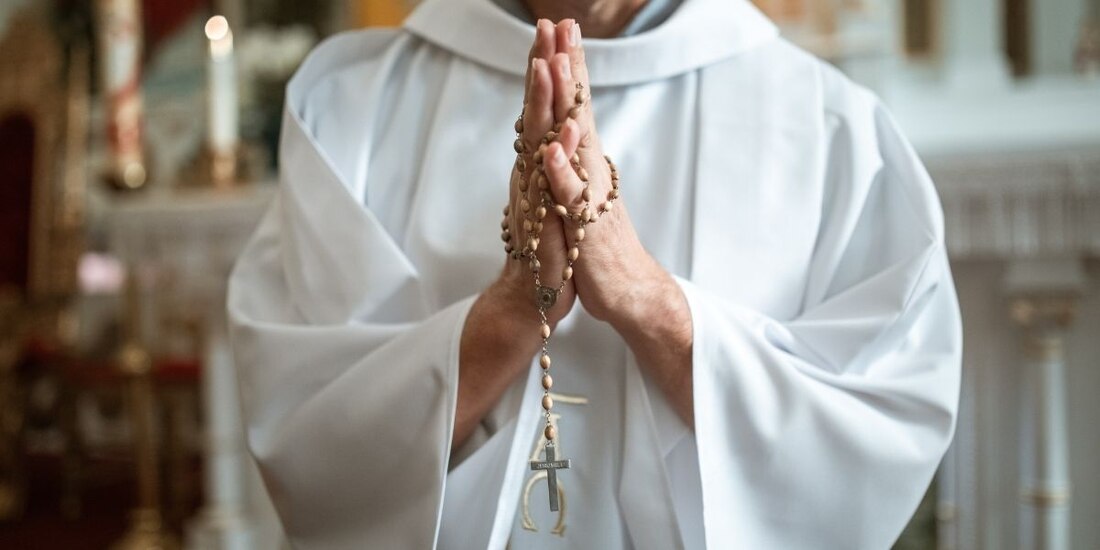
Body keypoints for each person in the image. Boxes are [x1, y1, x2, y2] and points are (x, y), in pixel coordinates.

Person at [227, 0, 963, 547]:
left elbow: (873, 430)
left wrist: (648, 301)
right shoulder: (352, 110)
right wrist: (511, 313)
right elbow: (309, 430)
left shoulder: (830, 125)